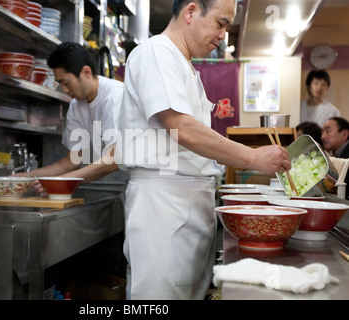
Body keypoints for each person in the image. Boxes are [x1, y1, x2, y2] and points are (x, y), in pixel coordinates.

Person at [116, 0, 291, 300]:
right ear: (191, 11)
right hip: (164, 207)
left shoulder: (185, 66)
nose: (224, 35)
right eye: (220, 24)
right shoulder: (157, 52)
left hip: (186, 204)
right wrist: (252, 157)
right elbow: (180, 126)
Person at [15, 42, 128, 193]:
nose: (65, 90)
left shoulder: (114, 96)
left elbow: (115, 159)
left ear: (86, 72)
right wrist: (28, 177)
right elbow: (72, 161)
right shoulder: (76, 106)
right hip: (119, 187)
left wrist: (65, 180)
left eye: (66, 82)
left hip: (143, 185)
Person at [321, 117, 349, 199]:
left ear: (344, 134)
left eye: (328, 131)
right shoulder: (334, 153)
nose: (323, 136)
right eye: (322, 132)